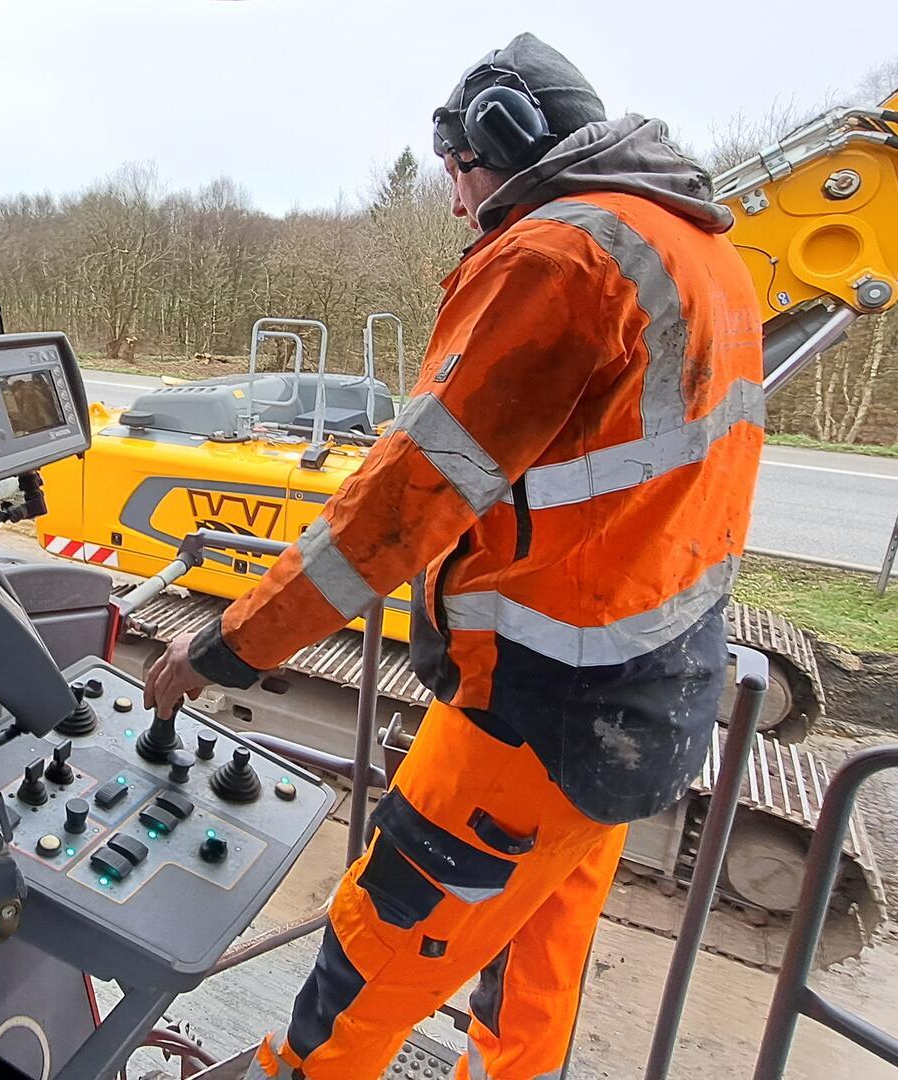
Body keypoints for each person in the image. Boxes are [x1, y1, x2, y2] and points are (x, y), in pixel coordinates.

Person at [144, 33, 764, 1080]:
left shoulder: (556, 256)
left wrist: (231, 646)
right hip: (652, 693)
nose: (453, 200)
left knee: (369, 962)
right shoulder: (703, 252)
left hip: (534, 715)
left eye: (456, 172)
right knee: (533, 964)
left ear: (501, 139)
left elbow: (402, 504)